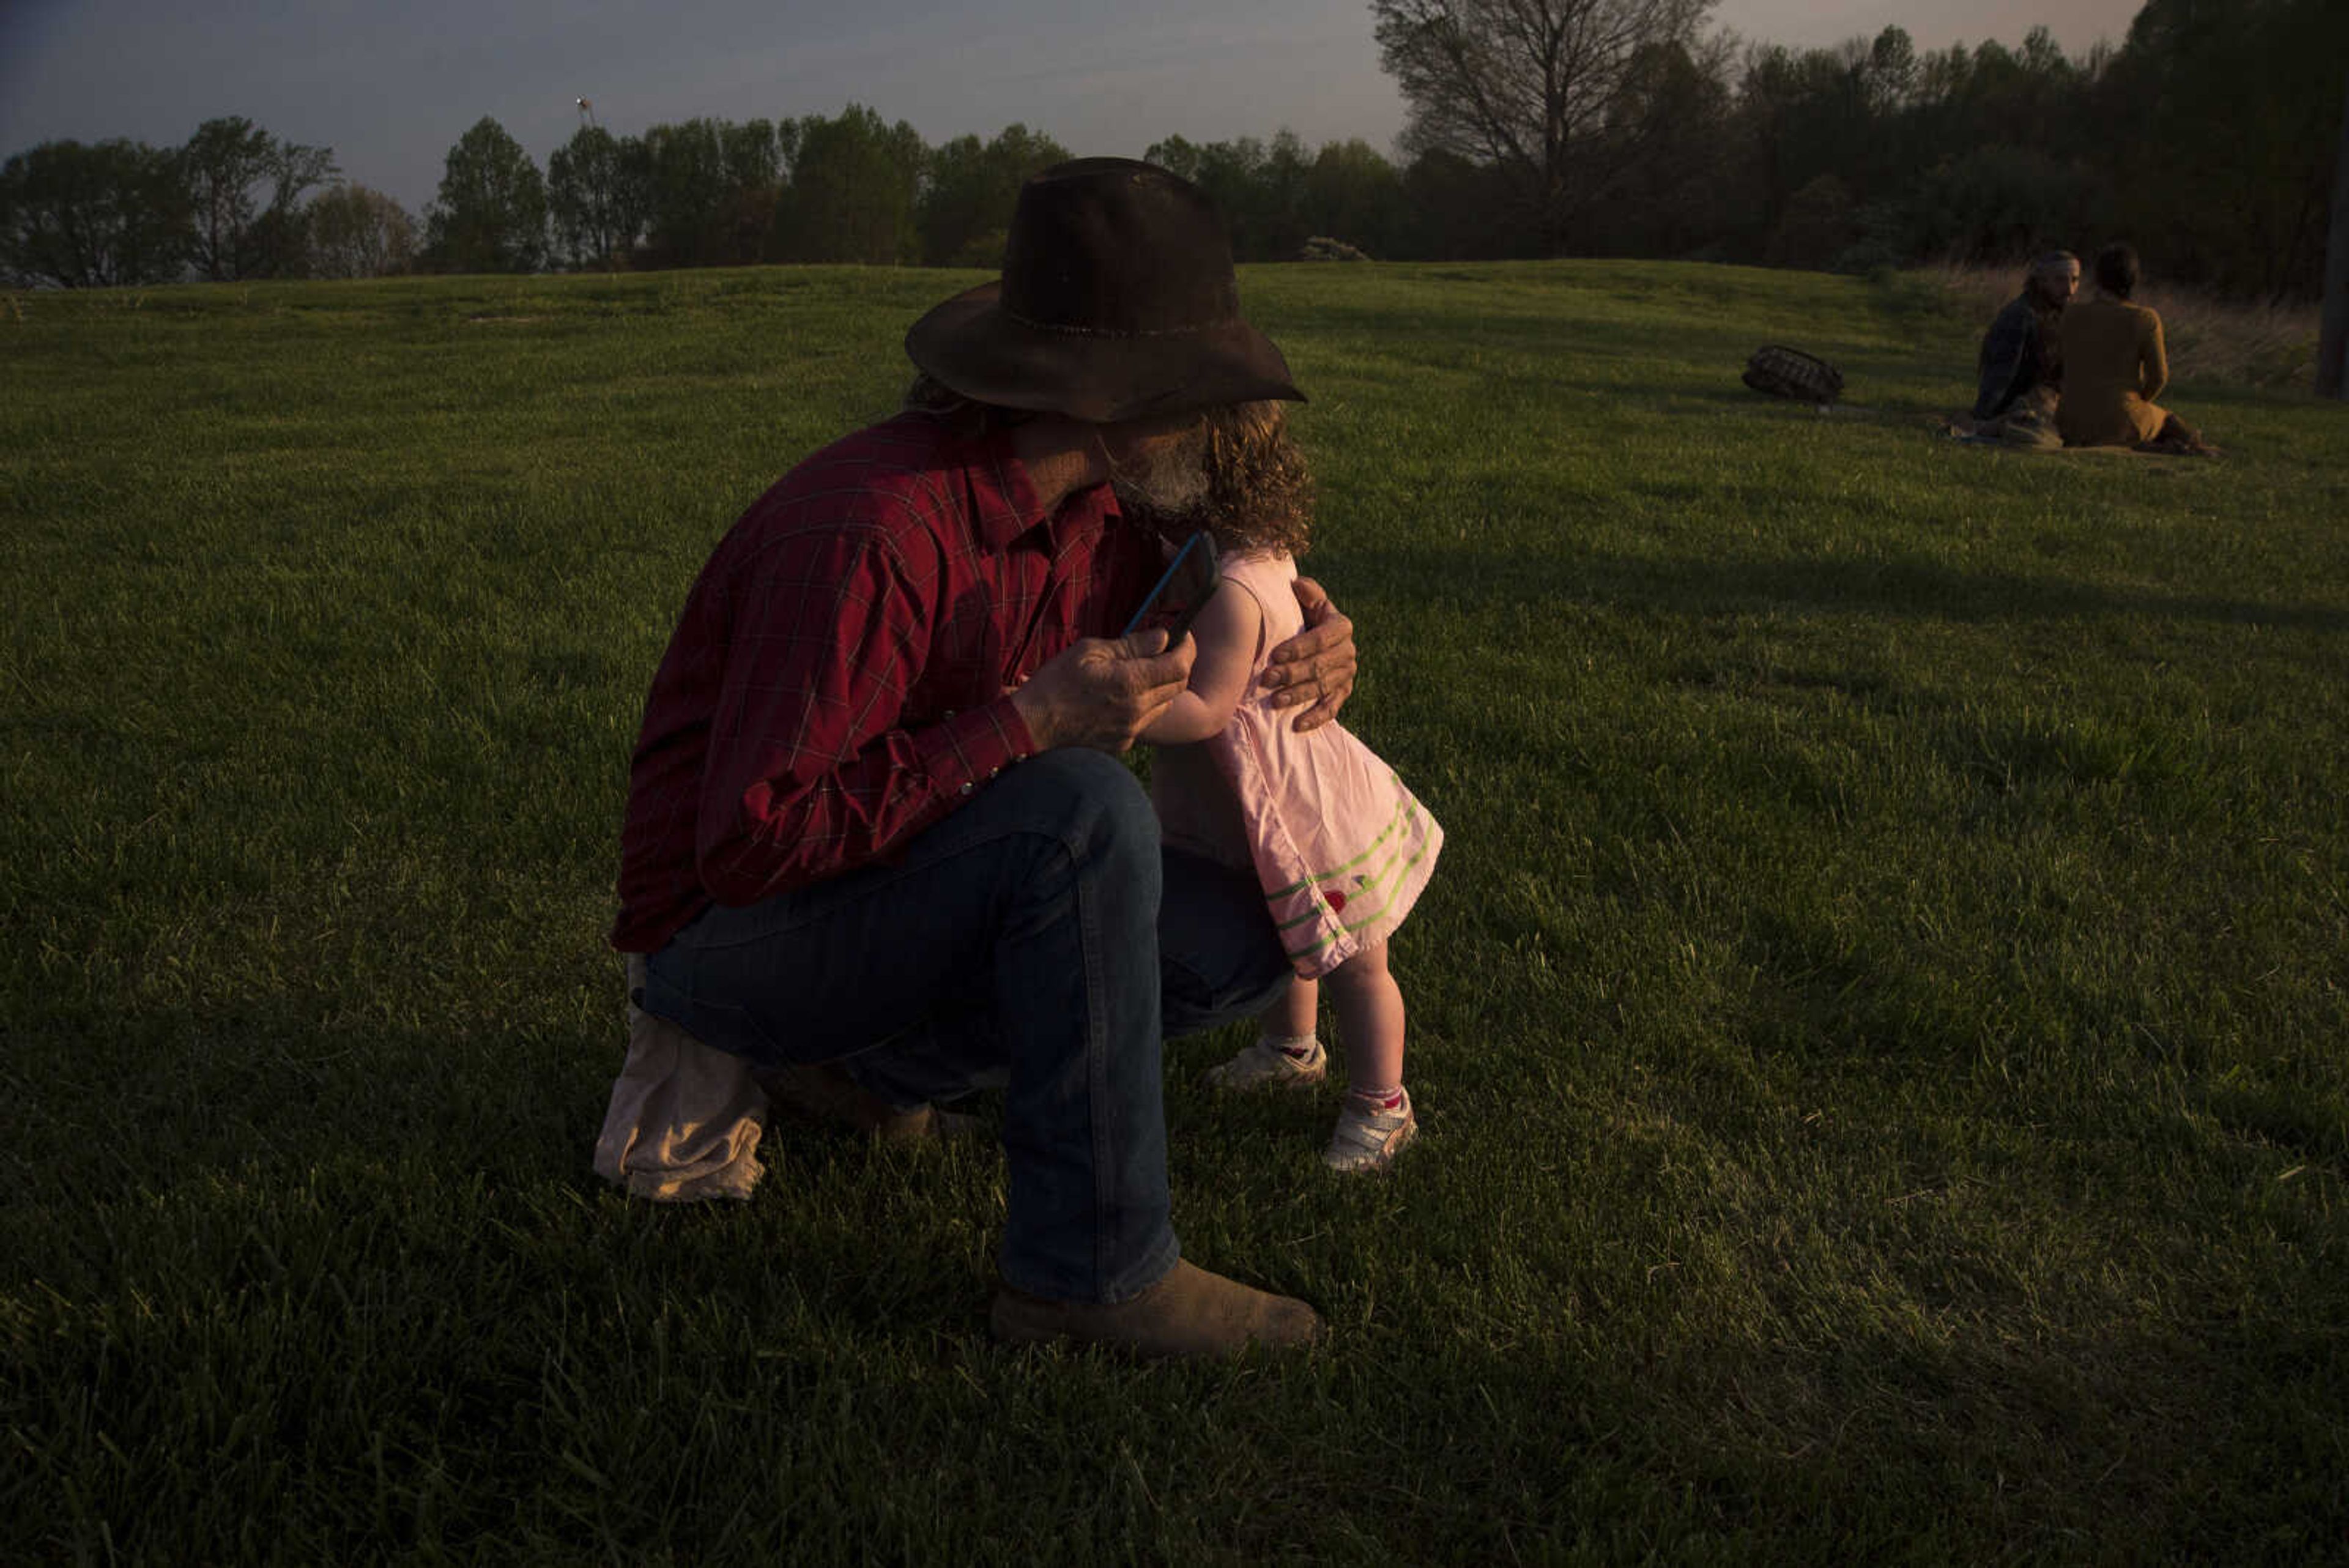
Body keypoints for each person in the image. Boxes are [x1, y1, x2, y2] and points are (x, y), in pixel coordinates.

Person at [596, 158, 1364, 1359]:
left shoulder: (1106, 515)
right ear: (1114, 396)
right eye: (1195, 387)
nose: (1217, 424)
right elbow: (749, 845)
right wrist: (1028, 722)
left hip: (890, 891)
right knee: (1079, 810)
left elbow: (1230, 605)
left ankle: (866, 1076)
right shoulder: (874, 533)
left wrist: (1311, 633)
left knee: (1258, 924)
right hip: (723, 945)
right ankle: (1089, 1274)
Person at [1133, 404, 1442, 1173]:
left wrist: (1127, 709)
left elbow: (1206, 708)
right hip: (1282, 794)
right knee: (1289, 927)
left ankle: (1384, 1106)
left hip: (1308, 814)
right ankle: (1292, 1048)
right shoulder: (1268, 557)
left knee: (1358, 966)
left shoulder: (1233, 594)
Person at [2057, 243, 2216, 454]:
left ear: (2098, 278)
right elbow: (2159, 377)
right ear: (2133, 280)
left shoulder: (2070, 315)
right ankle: (2192, 444)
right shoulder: (2144, 319)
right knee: (2166, 419)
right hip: (2120, 418)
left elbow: (2061, 364)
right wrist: (2138, 403)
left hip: (2069, 421)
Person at [1971, 250, 2079, 428]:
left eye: (2075, 280)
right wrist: (1983, 416)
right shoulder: (2020, 316)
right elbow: (2000, 376)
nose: (2070, 290)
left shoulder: (2058, 315)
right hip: (2021, 407)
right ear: (2042, 281)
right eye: (2060, 280)